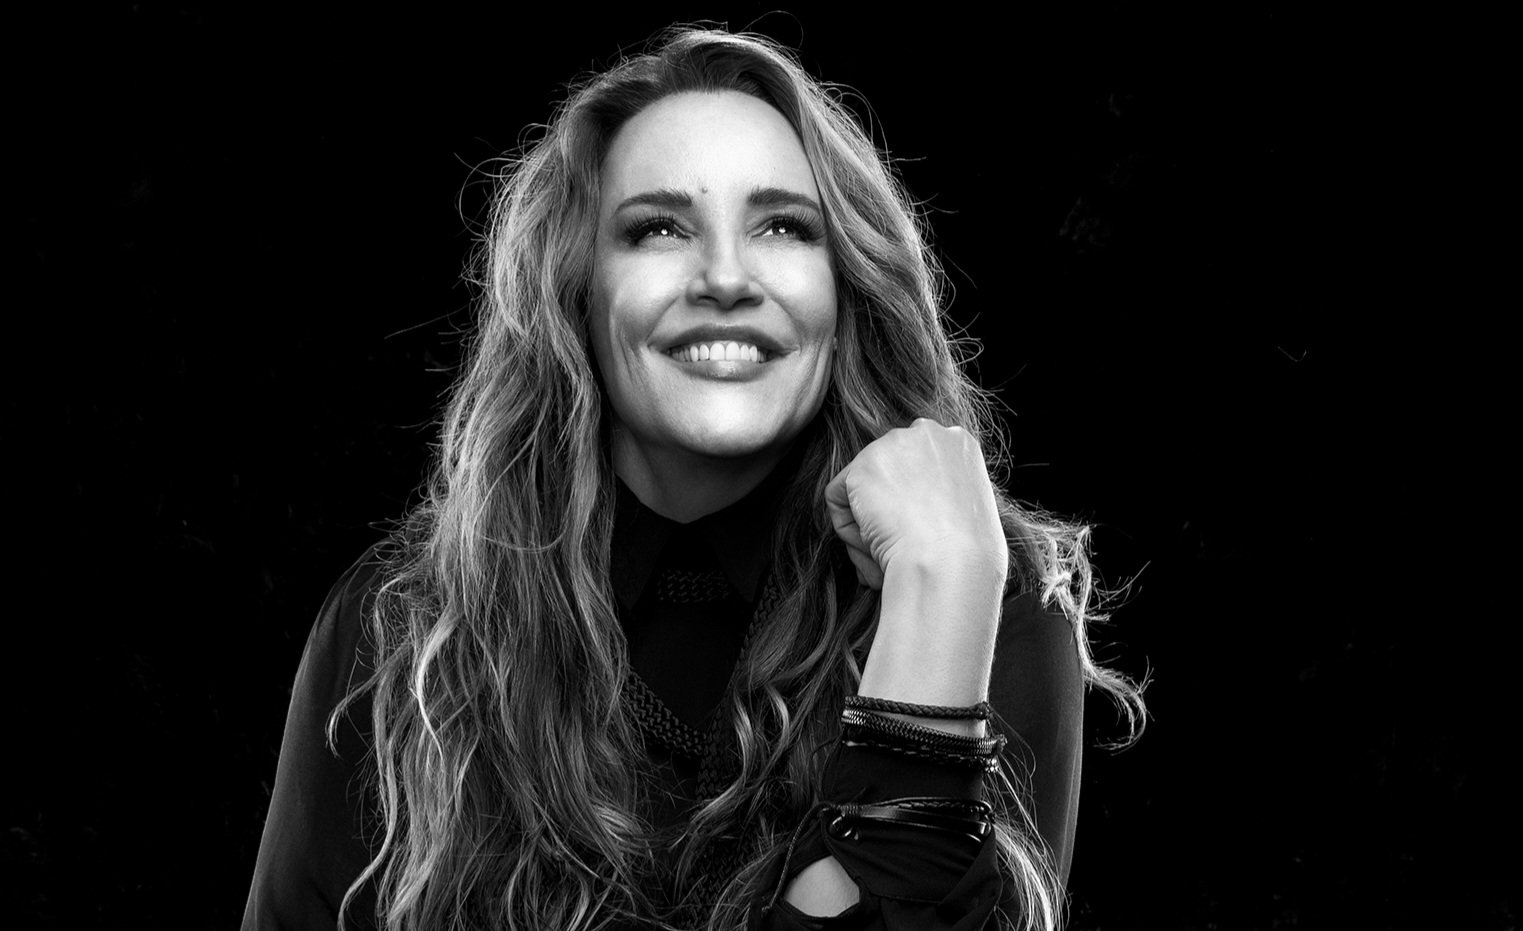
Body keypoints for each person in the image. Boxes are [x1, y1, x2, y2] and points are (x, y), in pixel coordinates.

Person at [242, 25, 1145, 931]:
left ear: (846, 290)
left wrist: (939, 597)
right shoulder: (402, 627)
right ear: (577, 291)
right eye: (658, 229)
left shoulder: (984, 598)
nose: (723, 277)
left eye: (783, 226)